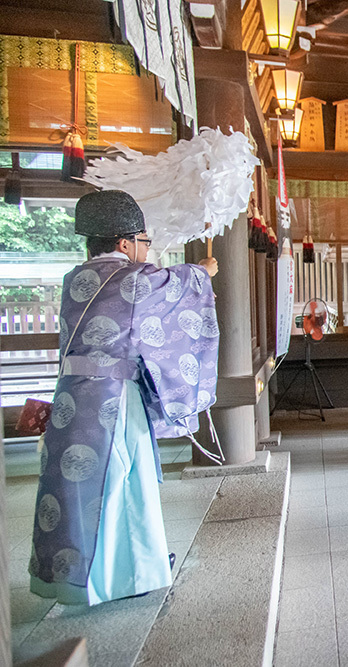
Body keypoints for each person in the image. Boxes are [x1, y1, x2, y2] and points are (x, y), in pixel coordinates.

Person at [30, 190, 220, 606]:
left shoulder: (75, 281)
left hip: (70, 398)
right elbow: (178, 289)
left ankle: (87, 572)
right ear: (124, 243)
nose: (146, 251)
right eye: (144, 242)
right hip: (111, 399)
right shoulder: (131, 280)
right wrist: (203, 273)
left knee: (80, 489)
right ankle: (122, 575)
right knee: (122, 482)